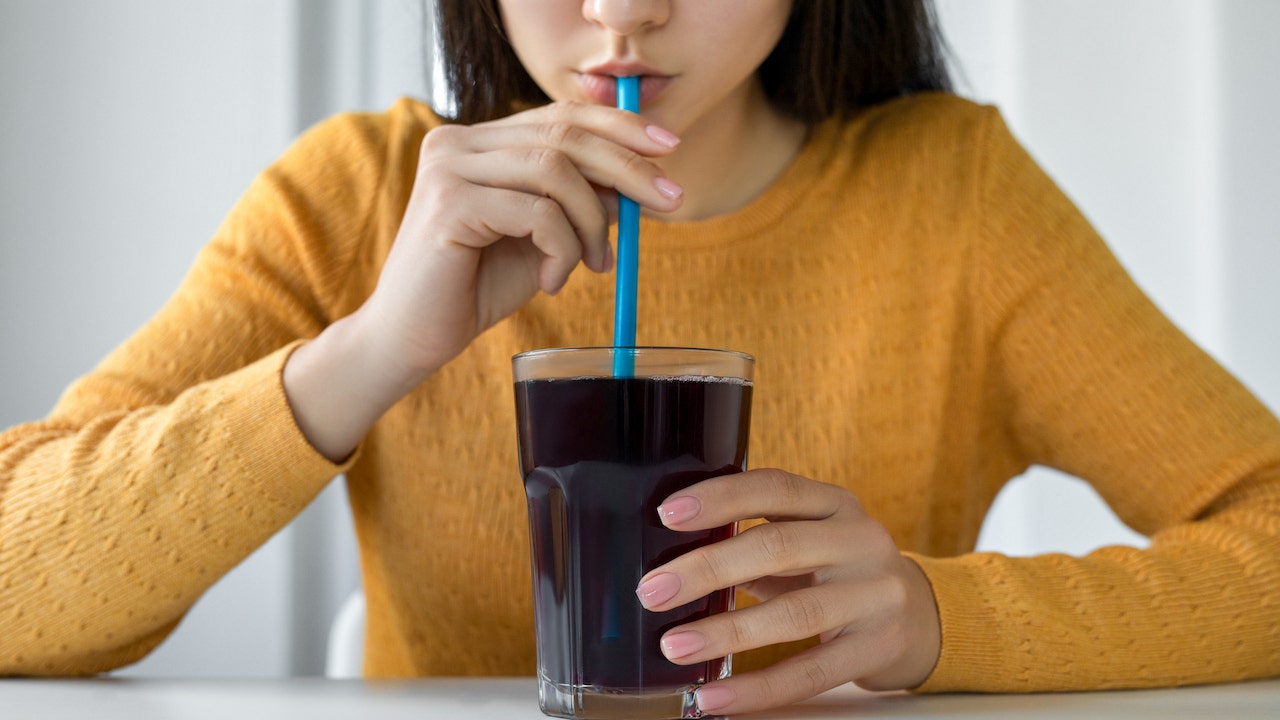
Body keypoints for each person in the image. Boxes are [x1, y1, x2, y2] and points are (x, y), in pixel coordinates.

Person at [2, 0, 1278, 715]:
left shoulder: (954, 204)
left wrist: (942, 618)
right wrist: (379, 343)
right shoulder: (357, 195)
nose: (622, 12)